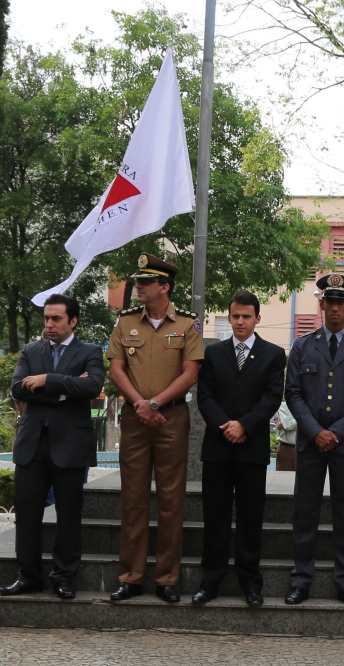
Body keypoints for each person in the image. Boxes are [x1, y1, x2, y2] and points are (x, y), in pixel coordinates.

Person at [106, 254, 203, 603]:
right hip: (135, 419)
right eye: (139, 282)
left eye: (145, 283)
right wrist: (140, 405)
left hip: (171, 419)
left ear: (164, 287)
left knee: (170, 500)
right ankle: (130, 577)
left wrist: (156, 403)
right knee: (132, 500)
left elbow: (190, 374)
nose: (138, 288)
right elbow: (116, 370)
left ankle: (167, 579)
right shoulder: (125, 322)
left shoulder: (188, 325)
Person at [0, 294, 103, 600]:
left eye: (56, 318)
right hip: (32, 445)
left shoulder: (90, 351)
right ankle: (29, 576)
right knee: (28, 513)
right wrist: (63, 391)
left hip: (71, 445)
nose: (49, 324)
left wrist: (46, 379)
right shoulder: (31, 350)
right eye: (47, 318)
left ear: (73, 321)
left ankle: (64, 577)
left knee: (69, 514)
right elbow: (18, 388)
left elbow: (92, 387)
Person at [284, 273, 344, 606]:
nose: (335, 308)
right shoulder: (302, 345)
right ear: (321, 304)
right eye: (330, 302)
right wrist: (315, 431)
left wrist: (336, 433)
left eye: (341, 302)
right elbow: (293, 393)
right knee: (305, 512)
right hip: (311, 443)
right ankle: (301, 580)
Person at [192, 290, 287, 606]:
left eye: (247, 316)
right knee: (215, 517)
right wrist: (226, 425)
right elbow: (204, 396)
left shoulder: (273, 354)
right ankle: (210, 581)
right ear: (229, 317)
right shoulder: (213, 353)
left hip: (252, 447)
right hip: (218, 447)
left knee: (250, 518)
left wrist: (244, 425)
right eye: (235, 316)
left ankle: (251, 583)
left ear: (257, 318)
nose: (240, 322)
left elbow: (272, 397)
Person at [274, 401, 297, 471]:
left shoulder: (308, 404)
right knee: (283, 478)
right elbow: (287, 425)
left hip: (305, 449)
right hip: (286, 449)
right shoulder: (282, 405)